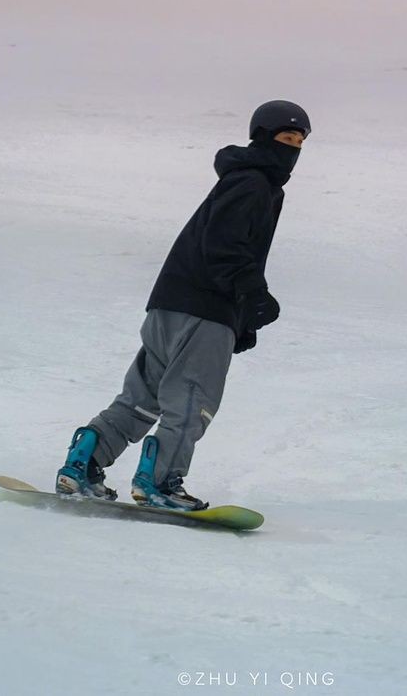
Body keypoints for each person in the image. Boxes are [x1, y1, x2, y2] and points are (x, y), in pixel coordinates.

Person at [54, 101, 310, 511]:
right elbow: (225, 245)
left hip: (170, 305)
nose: (293, 148)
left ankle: (83, 463)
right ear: (262, 137)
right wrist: (252, 297)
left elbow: (218, 244)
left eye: (299, 141)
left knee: (142, 397)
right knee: (193, 399)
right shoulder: (254, 183)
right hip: (204, 309)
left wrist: (241, 321)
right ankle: (158, 483)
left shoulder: (241, 179)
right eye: (285, 138)